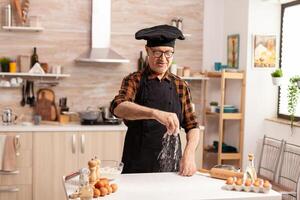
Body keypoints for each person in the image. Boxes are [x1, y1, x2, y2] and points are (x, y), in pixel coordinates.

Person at [110, 24, 200, 176]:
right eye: (157, 52)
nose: (163, 59)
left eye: (168, 53)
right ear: (147, 51)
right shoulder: (134, 80)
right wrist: (155, 113)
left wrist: (189, 154)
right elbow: (118, 107)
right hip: (137, 166)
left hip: (172, 167)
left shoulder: (181, 85)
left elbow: (193, 125)